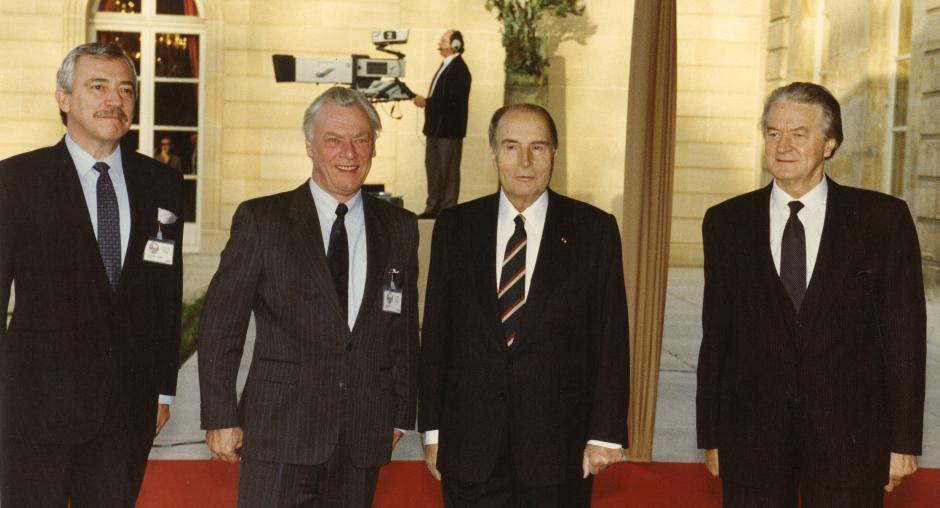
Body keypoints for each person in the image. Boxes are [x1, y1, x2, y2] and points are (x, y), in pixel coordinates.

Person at [696, 82, 926, 507]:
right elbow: (716, 339)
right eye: (773, 133)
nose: (783, 146)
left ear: (830, 143)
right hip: (752, 439)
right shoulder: (726, 223)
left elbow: (904, 338)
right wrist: (711, 435)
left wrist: (903, 441)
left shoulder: (882, 221)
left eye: (799, 134)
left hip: (850, 441)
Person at [198, 86, 419, 508]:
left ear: (374, 147)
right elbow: (221, 323)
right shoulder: (263, 220)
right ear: (309, 145)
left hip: (361, 434)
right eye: (333, 139)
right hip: (279, 430)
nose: (348, 152)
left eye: (361, 139)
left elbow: (404, 331)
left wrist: (400, 415)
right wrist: (220, 415)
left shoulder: (400, 228)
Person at [0, 42, 184, 507]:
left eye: (126, 89)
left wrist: (163, 389)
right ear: (63, 98)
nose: (115, 100)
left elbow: (165, 294)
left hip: (127, 408)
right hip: (34, 407)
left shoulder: (162, 183)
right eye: (98, 87)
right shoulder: (16, 181)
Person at [418, 104, 629, 507]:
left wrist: (605, 434)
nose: (525, 161)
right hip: (469, 448)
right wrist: (432, 430)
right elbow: (437, 336)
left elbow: (611, 337)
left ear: (554, 153)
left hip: (559, 451)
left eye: (538, 147)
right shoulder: (455, 227)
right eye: (511, 147)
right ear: (494, 153)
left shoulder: (594, 230)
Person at [412, 29, 471, 219]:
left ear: (454, 45)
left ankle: (447, 211)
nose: (439, 43)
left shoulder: (460, 69)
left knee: (449, 171)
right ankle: (433, 208)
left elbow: (452, 101)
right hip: (435, 130)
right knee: (434, 169)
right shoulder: (446, 66)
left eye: (443, 40)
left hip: (448, 132)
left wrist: (427, 102)